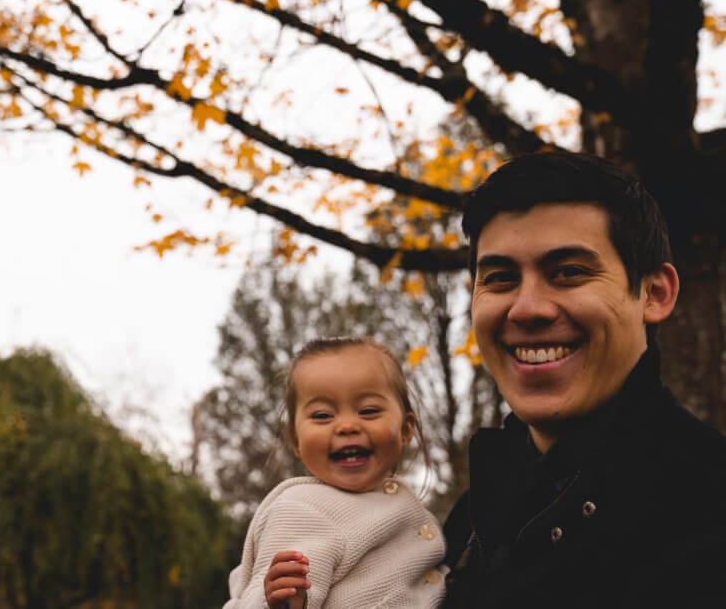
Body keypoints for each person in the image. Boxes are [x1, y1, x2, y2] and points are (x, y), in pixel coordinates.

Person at [266, 152, 726, 608]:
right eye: (500, 278)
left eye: (568, 273)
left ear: (654, 293)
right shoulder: (469, 521)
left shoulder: (706, 502)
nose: (527, 308)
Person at [226, 337, 446, 609]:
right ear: (296, 439)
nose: (346, 426)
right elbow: (264, 594)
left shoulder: (406, 508)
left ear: (405, 429)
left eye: (368, 411)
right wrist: (281, 602)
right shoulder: (302, 509)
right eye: (322, 415)